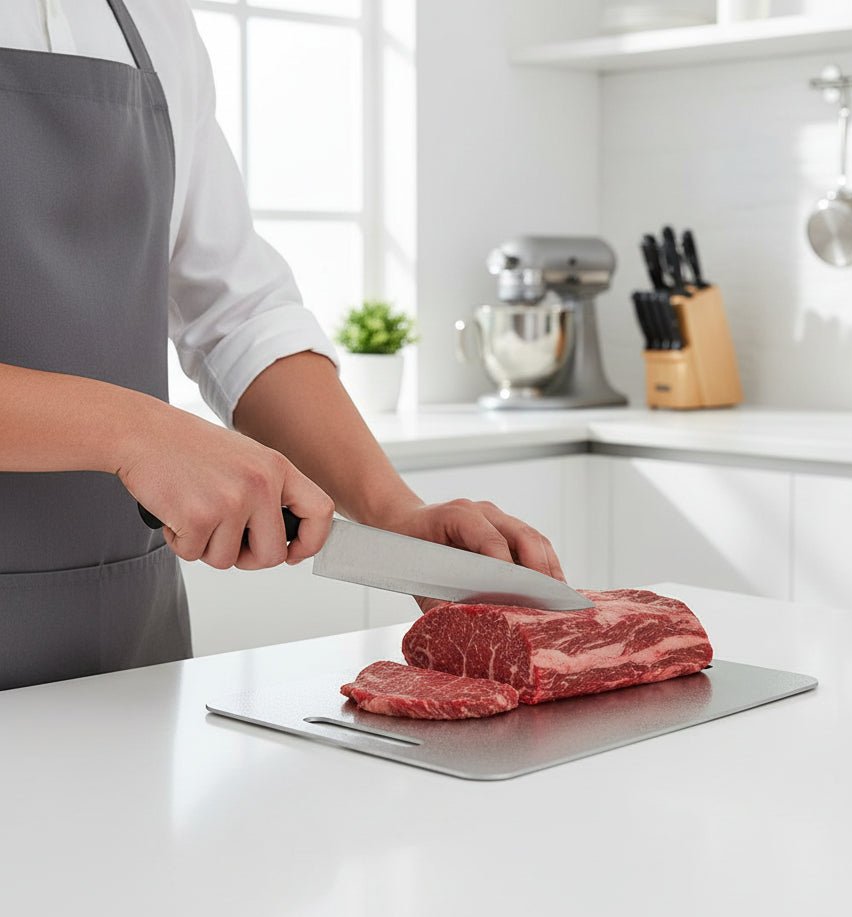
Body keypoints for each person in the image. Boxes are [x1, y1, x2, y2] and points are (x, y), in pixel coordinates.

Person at [0, 0, 564, 690]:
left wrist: (395, 515)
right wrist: (135, 431)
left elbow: (236, 313)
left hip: (120, 640)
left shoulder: (154, 22)